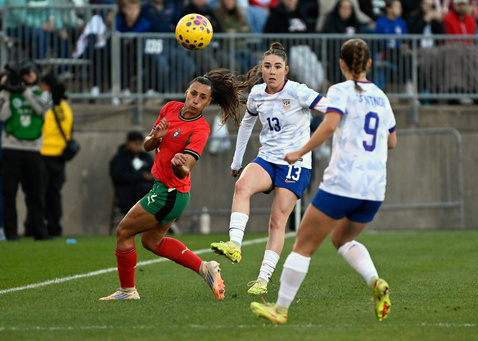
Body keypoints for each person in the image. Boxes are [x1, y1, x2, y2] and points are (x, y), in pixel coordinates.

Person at [250, 38, 397, 324]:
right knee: (342, 238)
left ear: (341, 64)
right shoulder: (381, 95)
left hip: (343, 182)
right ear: (368, 64)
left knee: (303, 246)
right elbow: (392, 141)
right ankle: (374, 280)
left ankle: (280, 309)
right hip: (375, 187)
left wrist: (299, 152)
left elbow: (329, 125)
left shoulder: (340, 90)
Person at [100, 67, 261, 300]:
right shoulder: (169, 108)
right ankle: (204, 268)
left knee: (124, 231)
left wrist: (179, 164)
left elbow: (186, 168)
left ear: (208, 103)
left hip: (170, 193)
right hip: (166, 190)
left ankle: (127, 291)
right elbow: (148, 144)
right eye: (193, 94)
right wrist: (154, 137)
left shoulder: (200, 129)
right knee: (150, 241)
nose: (196, 100)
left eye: (202, 98)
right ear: (186, 92)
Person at [210, 42, 328, 296]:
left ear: (286, 70)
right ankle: (234, 244)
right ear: (261, 69)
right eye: (267, 66)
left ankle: (263, 279)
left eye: (277, 67)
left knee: (277, 220)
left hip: (294, 164)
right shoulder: (257, 93)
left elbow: (330, 109)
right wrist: (236, 161)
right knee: (242, 185)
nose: (272, 71)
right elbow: (246, 125)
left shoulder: (298, 91)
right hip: (267, 158)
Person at [0, 61, 53, 241]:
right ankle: (11, 233)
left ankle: (39, 230)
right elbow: (2, 115)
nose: (29, 75)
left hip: (33, 150)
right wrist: (6, 89)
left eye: (32, 72)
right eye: (25, 72)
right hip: (11, 148)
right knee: (9, 193)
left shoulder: (43, 94)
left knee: (35, 193)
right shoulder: (8, 93)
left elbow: (40, 109)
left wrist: (24, 90)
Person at [39, 73, 74, 237]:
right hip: (60, 156)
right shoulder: (66, 107)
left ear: (47, 87)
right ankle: (55, 227)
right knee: (55, 194)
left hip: (44, 153)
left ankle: (38, 226)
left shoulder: (45, 106)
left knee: (40, 194)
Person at [109, 130, 154, 214]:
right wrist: (141, 175)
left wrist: (151, 176)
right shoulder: (120, 159)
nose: (138, 146)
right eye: (135, 143)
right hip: (127, 193)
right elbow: (118, 176)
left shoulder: (145, 157)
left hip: (146, 190)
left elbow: (154, 170)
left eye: (140, 143)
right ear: (129, 143)